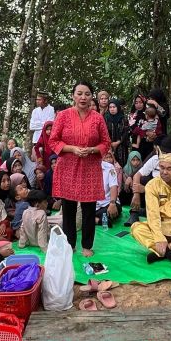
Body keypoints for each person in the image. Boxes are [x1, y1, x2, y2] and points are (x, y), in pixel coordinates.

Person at [48, 81, 110, 256]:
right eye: (80, 93)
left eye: (87, 94)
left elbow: (105, 142)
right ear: (73, 95)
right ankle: (70, 244)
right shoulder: (63, 115)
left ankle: (87, 245)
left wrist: (93, 150)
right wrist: (72, 149)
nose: (83, 97)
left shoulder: (97, 118)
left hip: (90, 167)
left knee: (89, 208)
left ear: (92, 97)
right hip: (68, 166)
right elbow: (53, 140)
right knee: (69, 209)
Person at [127, 136, 171, 226]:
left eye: (168, 152)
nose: (165, 156)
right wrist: (136, 194)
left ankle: (152, 214)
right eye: (163, 152)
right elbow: (137, 174)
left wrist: (146, 189)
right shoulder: (155, 158)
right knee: (140, 180)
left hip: (170, 199)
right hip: (153, 194)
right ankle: (135, 212)